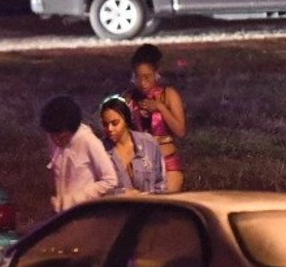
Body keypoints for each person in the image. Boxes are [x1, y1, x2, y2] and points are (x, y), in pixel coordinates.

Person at [123, 43, 188, 192]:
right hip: (140, 164)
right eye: (138, 77)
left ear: (156, 74)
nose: (143, 83)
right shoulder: (129, 98)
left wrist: (160, 107)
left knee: (165, 203)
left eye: (147, 77)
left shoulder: (168, 95)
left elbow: (180, 131)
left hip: (167, 163)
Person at [39, 95, 117, 212]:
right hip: (62, 213)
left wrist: (76, 199)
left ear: (71, 130)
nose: (55, 141)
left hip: (84, 212)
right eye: (51, 136)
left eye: (60, 136)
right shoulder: (54, 135)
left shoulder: (88, 141)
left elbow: (110, 180)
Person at [99, 95, 166, 194]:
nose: (110, 129)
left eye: (115, 123)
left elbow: (160, 183)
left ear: (126, 120)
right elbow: (98, 189)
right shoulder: (100, 150)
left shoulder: (148, 144)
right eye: (105, 124)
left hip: (150, 203)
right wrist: (121, 194)